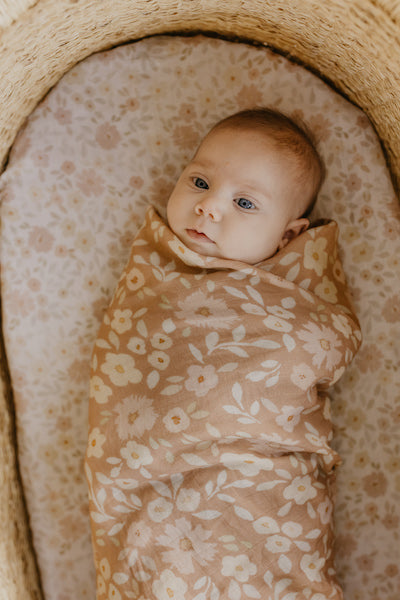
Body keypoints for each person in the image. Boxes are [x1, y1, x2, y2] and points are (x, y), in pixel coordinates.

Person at [86, 108, 361, 600]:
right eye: (199, 180)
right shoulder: (155, 270)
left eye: (244, 202)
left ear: (289, 237)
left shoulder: (294, 304)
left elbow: (324, 344)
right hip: (153, 489)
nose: (209, 206)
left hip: (261, 488)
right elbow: (128, 348)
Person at [167, 107, 325, 264]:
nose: (208, 206)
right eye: (200, 183)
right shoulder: (150, 240)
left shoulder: (285, 283)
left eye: (244, 203)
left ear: (286, 235)